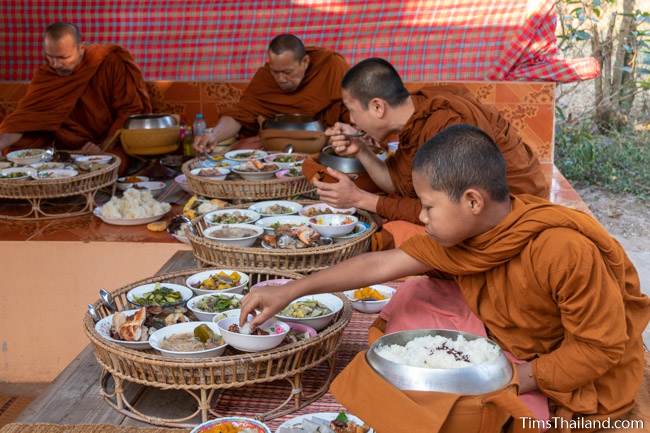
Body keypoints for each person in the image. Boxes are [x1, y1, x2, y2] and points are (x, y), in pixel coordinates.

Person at [241, 124, 650, 426]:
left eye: (428, 206)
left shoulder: (563, 249)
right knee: (413, 301)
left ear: (472, 200)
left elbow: (600, 348)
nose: (419, 216)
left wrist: (508, 380)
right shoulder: (470, 232)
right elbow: (383, 265)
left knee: (459, 410)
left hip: (563, 367)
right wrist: (292, 290)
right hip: (507, 342)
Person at [302, 58, 548, 248]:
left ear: (378, 107)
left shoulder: (446, 123)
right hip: (464, 205)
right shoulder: (418, 110)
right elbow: (398, 182)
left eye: (352, 110)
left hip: (510, 217)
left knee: (394, 236)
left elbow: (450, 209)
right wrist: (362, 151)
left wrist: (359, 199)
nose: (352, 120)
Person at [0, 22, 151, 155]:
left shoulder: (109, 63)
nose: (55, 64)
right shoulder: (47, 74)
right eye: (50, 57)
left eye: (63, 58)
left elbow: (129, 109)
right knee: (18, 149)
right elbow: (25, 118)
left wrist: (104, 146)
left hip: (108, 139)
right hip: (66, 144)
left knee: (117, 160)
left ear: (80, 48)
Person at [193, 33, 349, 153]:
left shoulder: (331, 66)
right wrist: (214, 135)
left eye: (288, 72)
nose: (281, 79)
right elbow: (240, 114)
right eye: (276, 72)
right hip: (276, 150)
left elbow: (352, 109)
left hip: (323, 146)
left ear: (305, 62)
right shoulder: (265, 78)